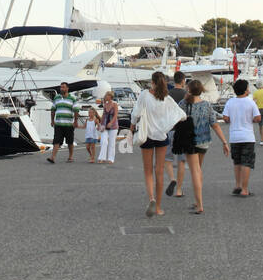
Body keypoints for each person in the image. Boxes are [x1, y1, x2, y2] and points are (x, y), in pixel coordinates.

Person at [130, 72, 185, 217]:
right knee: (159, 171)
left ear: (152, 82)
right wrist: (166, 125)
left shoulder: (144, 95)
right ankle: (159, 207)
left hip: (146, 136)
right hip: (161, 137)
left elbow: (135, 114)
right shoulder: (167, 98)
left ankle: (151, 199)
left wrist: (131, 129)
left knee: (148, 171)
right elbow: (181, 115)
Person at [180, 79, 227, 214]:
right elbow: (215, 124)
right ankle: (197, 200)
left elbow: (175, 117)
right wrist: (224, 142)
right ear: (201, 90)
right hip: (204, 141)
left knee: (194, 171)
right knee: (198, 169)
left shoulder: (183, 104)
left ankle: (200, 204)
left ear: (188, 89)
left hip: (190, 141)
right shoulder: (206, 105)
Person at [220, 79, 260, 197]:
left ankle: (237, 185)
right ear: (245, 90)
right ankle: (244, 189)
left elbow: (225, 118)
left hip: (234, 136)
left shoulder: (230, 102)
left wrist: (234, 120)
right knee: (246, 163)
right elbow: (258, 118)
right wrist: (249, 120)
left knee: (237, 162)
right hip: (247, 136)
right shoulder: (250, 102)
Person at [47, 82, 78, 163]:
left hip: (69, 124)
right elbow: (53, 109)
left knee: (70, 141)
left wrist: (75, 121)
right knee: (56, 140)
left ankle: (70, 156)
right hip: (58, 124)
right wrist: (52, 120)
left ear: (67, 88)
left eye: (63, 87)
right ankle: (52, 157)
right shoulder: (57, 98)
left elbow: (76, 110)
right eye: (61, 87)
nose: (61, 89)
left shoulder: (72, 98)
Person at [96, 90, 119, 163]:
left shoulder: (115, 104)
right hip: (104, 125)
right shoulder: (105, 105)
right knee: (103, 141)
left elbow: (115, 115)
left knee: (112, 143)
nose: (105, 97)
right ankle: (102, 158)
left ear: (110, 97)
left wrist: (111, 123)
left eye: (106, 95)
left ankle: (110, 159)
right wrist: (100, 125)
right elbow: (103, 115)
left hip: (113, 126)